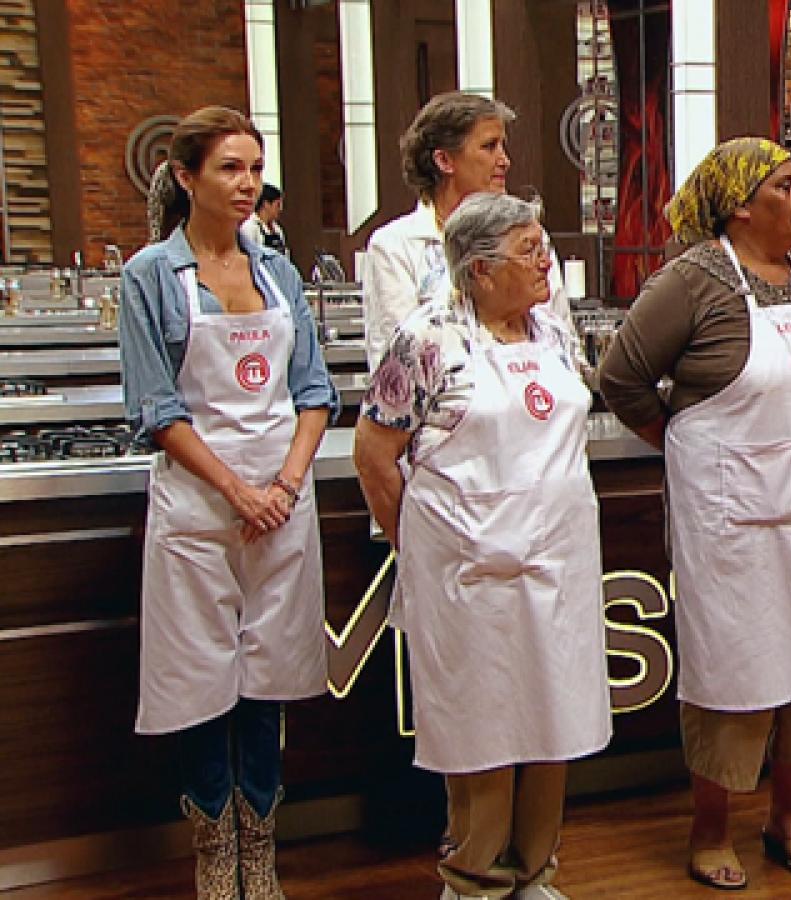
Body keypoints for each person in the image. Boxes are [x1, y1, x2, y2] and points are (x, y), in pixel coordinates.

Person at [598, 138, 791, 889]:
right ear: (739, 206)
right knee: (735, 666)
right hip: (735, 522)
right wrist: (686, 442)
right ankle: (711, 827)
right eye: (785, 185)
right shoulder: (692, 279)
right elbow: (620, 378)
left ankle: (790, 815)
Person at [353, 192, 610, 900]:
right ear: (479, 269)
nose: (546, 262)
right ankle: (475, 879)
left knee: (554, 713)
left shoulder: (552, 332)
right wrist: (420, 547)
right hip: (467, 574)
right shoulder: (426, 339)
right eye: (529, 251)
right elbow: (374, 453)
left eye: (542, 247)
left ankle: (535, 871)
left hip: (557, 561)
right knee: (482, 725)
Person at [120, 106, 337, 899]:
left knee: (267, 678)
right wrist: (237, 489)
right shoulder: (151, 276)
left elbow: (313, 391)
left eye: (255, 168)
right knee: (202, 682)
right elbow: (155, 408)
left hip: (280, 504)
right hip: (201, 508)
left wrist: (283, 485)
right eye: (230, 169)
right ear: (185, 177)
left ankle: (260, 843)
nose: (248, 184)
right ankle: (215, 846)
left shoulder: (277, 272)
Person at [363, 91, 568, 375]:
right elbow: (396, 365)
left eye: (503, 146)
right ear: (444, 160)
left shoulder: (531, 237)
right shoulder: (395, 246)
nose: (504, 160)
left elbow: (561, 336)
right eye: (489, 147)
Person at [241, 183, 287, 255]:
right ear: (266, 204)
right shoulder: (249, 227)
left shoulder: (277, 229)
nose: (281, 209)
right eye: (278, 205)